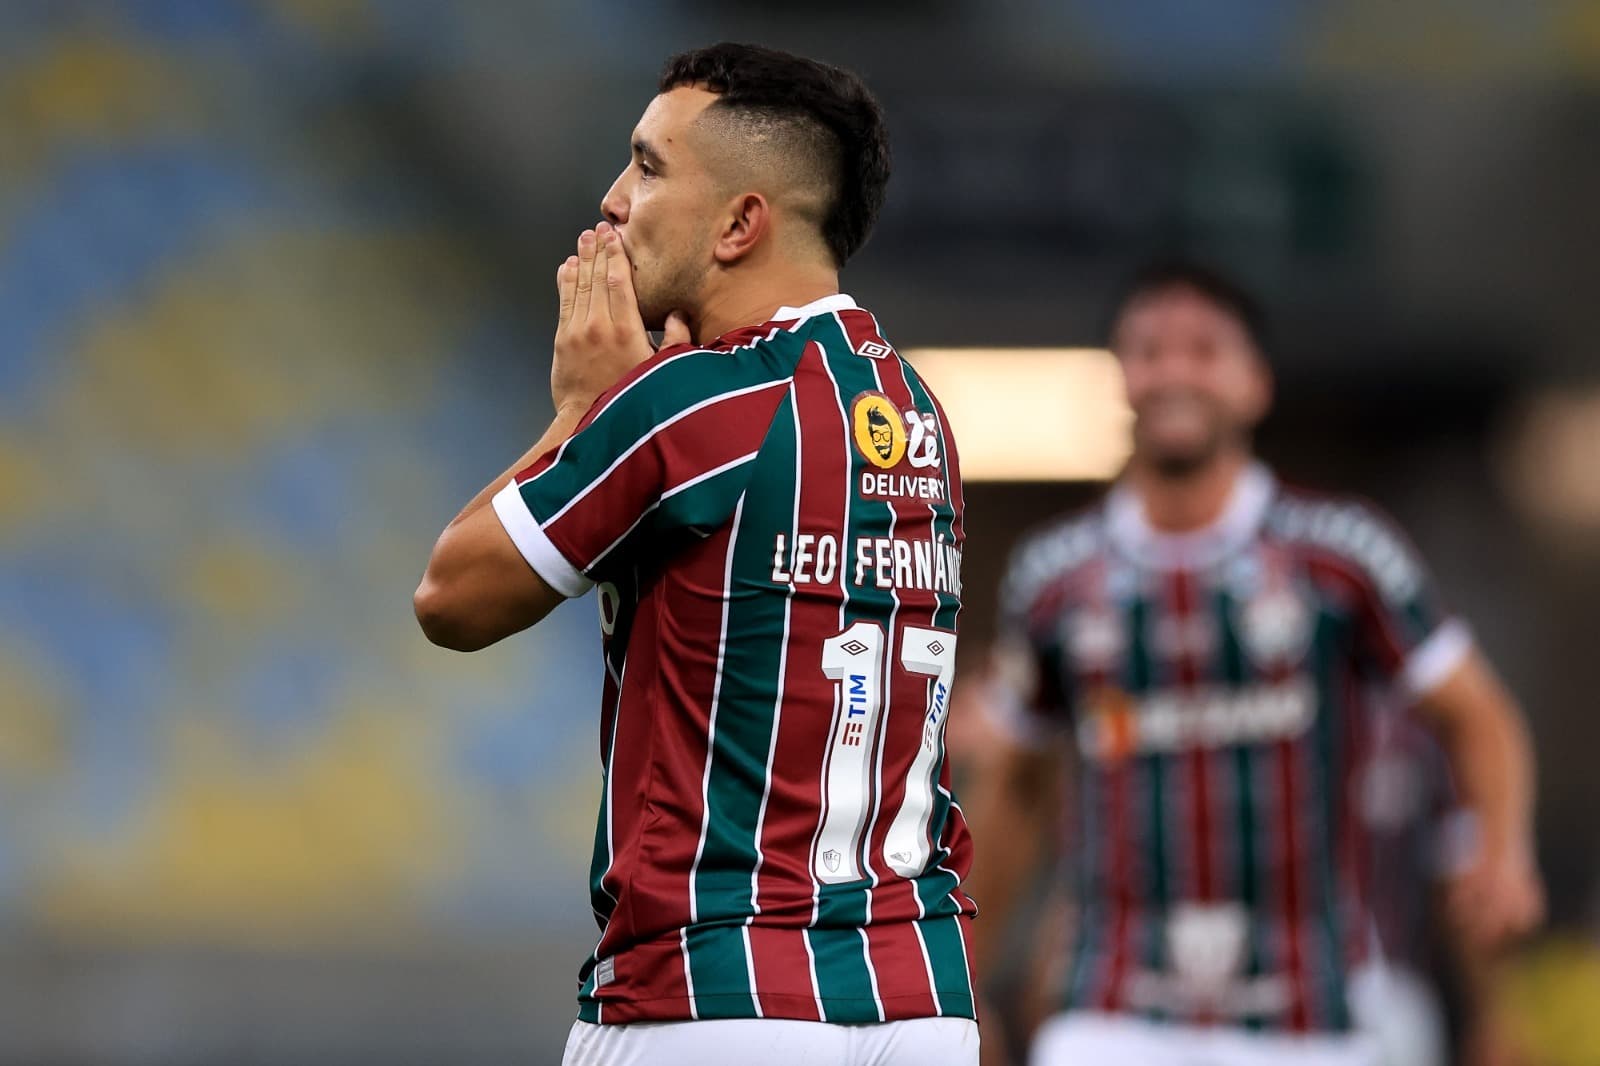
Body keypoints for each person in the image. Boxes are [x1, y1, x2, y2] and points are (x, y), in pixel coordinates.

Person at [414, 43, 979, 1066]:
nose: (616, 197)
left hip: (709, 996)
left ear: (739, 222)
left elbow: (450, 597)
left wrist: (581, 413)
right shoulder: (914, 409)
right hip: (921, 1004)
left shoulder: (694, 403)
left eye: (649, 165)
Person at [960, 259, 1542, 1066]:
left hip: (1308, 1014)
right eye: (1150, 350)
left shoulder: (1344, 553)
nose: (1173, 372)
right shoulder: (1054, 576)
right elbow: (1018, 792)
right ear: (1119, 379)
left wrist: (1504, 847)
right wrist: (966, 983)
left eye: (1203, 350)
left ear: (1256, 383)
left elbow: (1477, 714)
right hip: (1112, 1012)